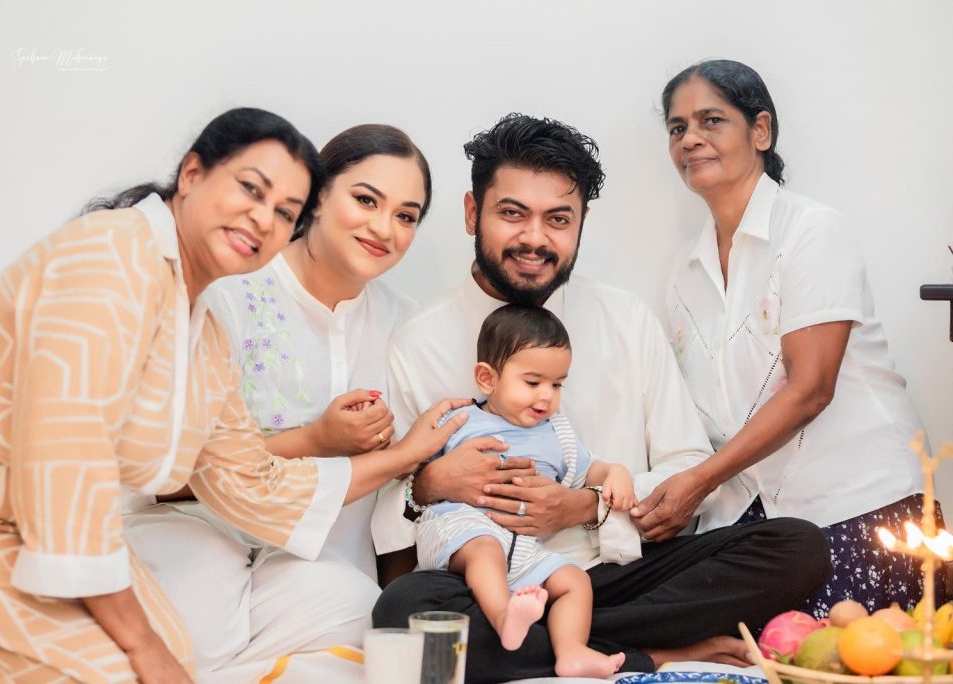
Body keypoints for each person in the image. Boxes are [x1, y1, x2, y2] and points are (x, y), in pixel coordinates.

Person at [0, 107, 466, 683]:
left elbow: (246, 480)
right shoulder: (113, 256)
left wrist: (407, 456)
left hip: (44, 543)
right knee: (134, 667)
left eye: (284, 211)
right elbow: (67, 470)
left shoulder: (202, 325)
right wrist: (141, 644)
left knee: (191, 655)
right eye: (250, 189)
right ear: (191, 174)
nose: (263, 219)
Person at [371, 112, 831, 684]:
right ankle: (648, 654)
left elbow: (688, 469)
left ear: (581, 222)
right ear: (472, 213)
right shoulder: (418, 342)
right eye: (512, 213)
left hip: (616, 573)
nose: (534, 238)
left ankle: (560, 640)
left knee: (797, 547)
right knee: (404, 609)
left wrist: (585, 507)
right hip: (488, 581)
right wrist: (427, 484)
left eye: (558, 219)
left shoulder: (625, 320)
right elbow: (389, 511)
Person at [124, 124, 434, 682]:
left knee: (365, 618)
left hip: (305, 571)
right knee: (198, 632)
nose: (384, 228)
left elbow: (410, 486)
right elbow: (164, 479)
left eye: (406, 216)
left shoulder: (408, 326)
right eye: (366, 200)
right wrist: (318, 441)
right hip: (189, 535)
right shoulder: (229, 292)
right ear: (317, 196)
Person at [649, 59, 936, 617]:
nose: (690, 139)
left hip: (858, 506)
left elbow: (811, 389)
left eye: (711, 120)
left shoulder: (810, 231)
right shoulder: (683, 271)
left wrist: (698, 482)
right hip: (756, 525)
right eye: (677, 127)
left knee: (858, 658)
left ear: (761, 130)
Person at [416, 304, 637, 678]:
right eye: (533, 383)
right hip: (460, 529)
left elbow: (591, 470)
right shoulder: (460, 420)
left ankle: (572, 651)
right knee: (485, 547)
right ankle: (504, 618)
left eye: (557, 384)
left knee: (575, 581)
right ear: (487, 379)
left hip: (522, 549)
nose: (547, 396)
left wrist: (618, 472)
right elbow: (413, 471)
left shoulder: (558, 434)